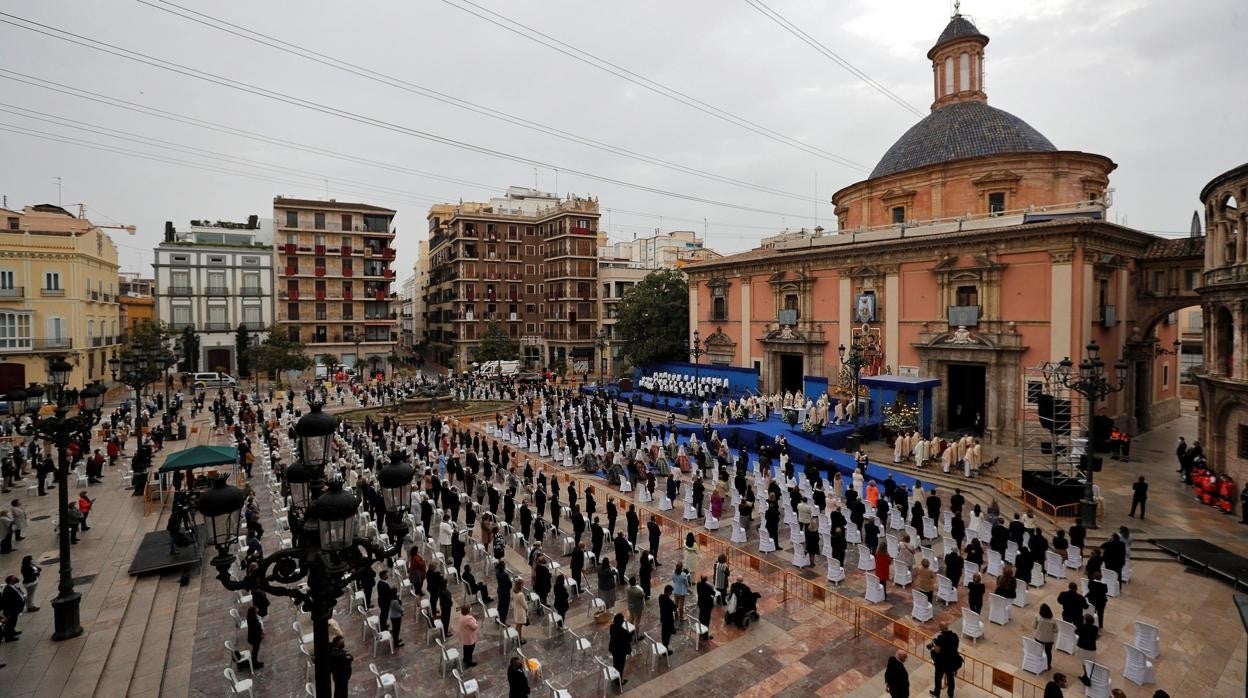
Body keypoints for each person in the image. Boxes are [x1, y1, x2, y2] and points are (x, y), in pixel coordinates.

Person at [929, 621, 961, 697]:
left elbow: (937, 650)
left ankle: (937, 693)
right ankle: (950, 694)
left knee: (938, 677)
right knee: (950, 678)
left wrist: (934, 644)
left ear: (941, 628)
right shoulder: (955, 636)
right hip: (952, 661)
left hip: (942, 662)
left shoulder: (941, 637)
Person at [608, 612, 632, 689]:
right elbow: (629, 639)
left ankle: (615, 678)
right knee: (621, 666)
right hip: (621, 651)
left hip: (613, 649)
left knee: (615, 663)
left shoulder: (612, 627)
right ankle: (619, 681)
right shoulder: (623, 631)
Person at [1075, 613, 1099, 685]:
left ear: (1085, 621)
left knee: (1084, 663)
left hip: (1083, 648)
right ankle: (1089, 675)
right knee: (1090, 662)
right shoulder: (1095, 628)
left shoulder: (1082, 627)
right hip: (1091, 648)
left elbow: (1076, 631)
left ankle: (1086, 675)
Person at [1034, 603, 1058, 670]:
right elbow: (1056, 630)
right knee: (1048, 652)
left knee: (1038, 650)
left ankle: (1037, 662)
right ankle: (1048, 666)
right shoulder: (1053, 621)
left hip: (1038, 638)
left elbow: (1034, 626)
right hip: (1049, 640)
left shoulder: (1038, 618)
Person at [1, 574, 24, 640]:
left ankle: (12, 632)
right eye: (14, 578)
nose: (17, 578)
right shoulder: (8, 590)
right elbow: (8, 602)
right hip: (11, 610)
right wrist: (10, 613)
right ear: (11, 581)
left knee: (13, 622)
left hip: (14, 609)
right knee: (10, 623)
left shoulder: (13, 586)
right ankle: (8, 637)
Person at [696, 575, 715, 642]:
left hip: (701, 603)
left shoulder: (698, 584)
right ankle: (705, 636)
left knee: (701, 617)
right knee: (706, 620)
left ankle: (701, 630)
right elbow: (714, 593)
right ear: (706, 579)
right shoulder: (708, 587)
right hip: (707, 605)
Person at [245, 602, 265, 669]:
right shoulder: (253, 621)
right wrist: (261, 635)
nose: (257, 610)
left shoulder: (251, 617)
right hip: (255, 638)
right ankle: (255, 664)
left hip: (253, 637)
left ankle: (255, 662)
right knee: (255, 651)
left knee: (255, 650)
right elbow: (257, 630)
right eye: (256, 610)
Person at [659, 584, 677, 649]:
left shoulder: (660, 597)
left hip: (663, 617)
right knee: (667, 635)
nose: (671, 593)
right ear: (669, 592)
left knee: (664, 632)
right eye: (671, 592)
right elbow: (674, 609)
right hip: (668, 620)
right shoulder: (669, 601)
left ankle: (665, 645)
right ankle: (665, 648)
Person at [511, 579, 529, 645]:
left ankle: (515, 636)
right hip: (521, 611)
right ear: (520, 585)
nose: (523, 585)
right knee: (520, 626)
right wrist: (527, 609)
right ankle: (520, 639)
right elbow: (524, 605)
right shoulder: (520, 594)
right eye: (522, 584)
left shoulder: (514, 591)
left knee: (517, 624)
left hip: (516, 610)